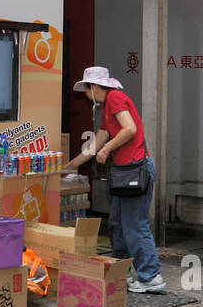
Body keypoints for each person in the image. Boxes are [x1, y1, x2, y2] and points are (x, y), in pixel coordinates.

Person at [64, 66, 165, 293]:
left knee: (134, 225)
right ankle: (121, 271)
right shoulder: (107, 111)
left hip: (135, 169)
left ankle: (152, 276)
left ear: (95, 86)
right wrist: (69, 167)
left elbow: (129, 129)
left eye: (87, 90)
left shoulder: (115, 98)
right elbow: (93, 146)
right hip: (126, 172)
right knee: (117, 224)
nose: (87, 96)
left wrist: (107, 149)